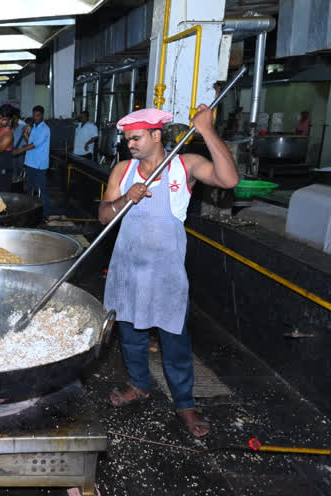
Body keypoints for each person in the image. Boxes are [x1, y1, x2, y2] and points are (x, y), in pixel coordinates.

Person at [99, 106, 239, 438]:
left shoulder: (183, 165)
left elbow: (229, 179)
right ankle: (139, 385)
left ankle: (186, 404)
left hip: (165, 274)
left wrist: (207, 131)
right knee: (130, 336)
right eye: (127, 138)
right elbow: (104, 216)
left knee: (174, 341)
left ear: (156, 135)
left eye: (135, 138)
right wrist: (124, 201)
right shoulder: (123, 170)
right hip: (128, 269)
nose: (129, 144)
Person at [14, 105, 50, 218]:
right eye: (34, 115)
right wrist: (25, 133)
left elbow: (34, 145)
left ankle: (45, 214)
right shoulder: (34, 127)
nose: (35, 117)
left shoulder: (45, 129)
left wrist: (20, 150)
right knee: (30, 188)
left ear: (42, 115)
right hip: (30, 162)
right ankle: (30, 211)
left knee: (41, 189)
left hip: (39, 164)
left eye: (38, 115)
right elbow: (30, 141)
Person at [10, 108, 27, 183]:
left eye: (16, 119)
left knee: (21, 172)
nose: (14, 120)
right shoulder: (9, 129)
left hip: (21, 154)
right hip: (11, 154)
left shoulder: (23, 128)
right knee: (13, 173)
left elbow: (28, 141)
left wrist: (21, 150)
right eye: (12, 119)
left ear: (18, 119)